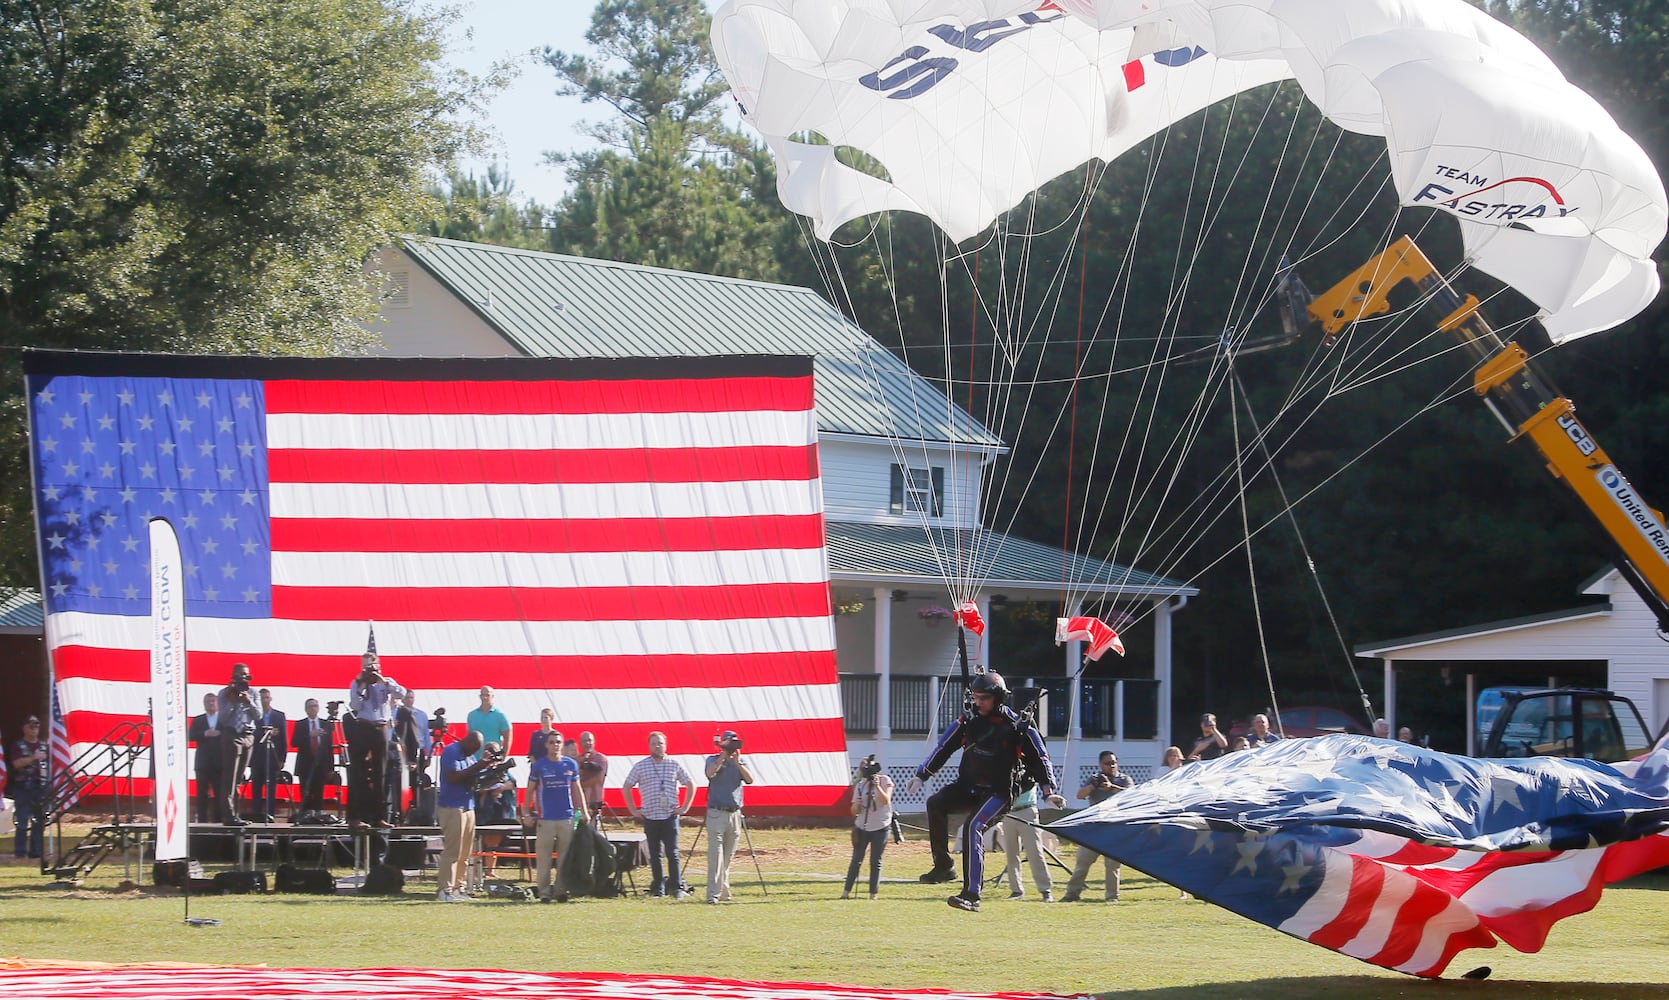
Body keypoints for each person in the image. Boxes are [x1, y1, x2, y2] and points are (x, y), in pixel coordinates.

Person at [907, 671, 1063, 913]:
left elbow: (1040, 758)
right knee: (935, 803)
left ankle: (972, 894)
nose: (978, 702)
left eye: (984, 698)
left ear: (998, 698)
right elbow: (944, 746)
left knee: (972, 827)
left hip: (998, 794)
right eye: (976, 697)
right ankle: (944, 866)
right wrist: (922, 774)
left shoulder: (1017, 726)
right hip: (968, 787)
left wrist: (1048, 791)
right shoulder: (969, 721)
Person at [621, 731, 695, 899]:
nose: (658, 746)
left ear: (665, 745)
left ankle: (676, 887)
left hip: (669, 816)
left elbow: (690, 784)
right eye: (654, 743)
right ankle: (658, 888)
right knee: (655, 855)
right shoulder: (641, 766)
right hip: (651, 816)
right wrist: (633, 809)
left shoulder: (674, 764)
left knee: (673, 853)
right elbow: (627, 786)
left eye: (660, 743)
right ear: (649, 746)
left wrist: (684, 807)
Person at [1060, 750, 1133, 902]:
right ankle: (1071, 894)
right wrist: (1093, 786)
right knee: (1082, 862)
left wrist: (1112, 787)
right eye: (1107, 763)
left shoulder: (1124, 780)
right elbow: (1080, 795)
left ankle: (1112, 897)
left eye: (1113, 762)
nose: (1111, 766)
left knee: (1112, 865)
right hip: (1094, 828)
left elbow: (1133, 795)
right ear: (1101, 765)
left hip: (1115, 827)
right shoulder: (1094, 779)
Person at [526, 729, 588, 903]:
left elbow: (577, 789)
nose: (555, 745)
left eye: (558, 742)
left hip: (566, 817)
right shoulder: (539, 766)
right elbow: (530, 790)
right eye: (552, 742)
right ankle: (544, 893)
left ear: (562, 745)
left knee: (565, 857)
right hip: (545, 818)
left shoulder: (570, 764)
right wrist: (525, 812)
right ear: (546, 745)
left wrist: (583, 811)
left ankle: (561, 890)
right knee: (544, 858)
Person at [347, 649, 406, 829]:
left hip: (381, 727)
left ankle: (378, 817)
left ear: (378, 666)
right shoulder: (356, 683)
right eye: (365, 667)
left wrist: (384, 681)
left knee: (380, 772)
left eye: (371, 666)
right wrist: (362, 685)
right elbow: (355, 706)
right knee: (359, 771)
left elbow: (401, 694)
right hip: (363, 726)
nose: (369, 670)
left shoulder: (386, 682)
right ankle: (357, 817)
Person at [435, 730, 493, 902]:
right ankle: (444, 889)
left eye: (477, 749)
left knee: (465, 852)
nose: (473, 752)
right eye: (473, 747)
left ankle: (457, 888)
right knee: (453, 850)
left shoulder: (470, 757)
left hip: (468, 806)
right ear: (467, 741)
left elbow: (475, 781)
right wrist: (478, 766)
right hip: (452, 806)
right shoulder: (451, 751)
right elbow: (453, 777)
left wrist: (489, 770)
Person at [703, 729, 754, 904]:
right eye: (728, 743)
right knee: (715, 856)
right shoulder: (713, 759)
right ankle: (713, 895)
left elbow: (749, 780)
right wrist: (722, 758)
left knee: (727, 857)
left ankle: (723, 891)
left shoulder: (740, 761)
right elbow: (710, 774)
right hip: (717, 812)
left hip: (734, 814)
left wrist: (738, 762)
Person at [842, 755, 894, 900]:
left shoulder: (885, 780)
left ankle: (873, 894)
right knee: (856, 860)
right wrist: (856, 805)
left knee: (875, 861)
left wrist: (877, 786)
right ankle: (846, 892)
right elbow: (853, 810)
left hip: (881, 827)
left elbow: (885, 801)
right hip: (862, 827)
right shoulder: (860, 785)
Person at [216, 663, 259, 825]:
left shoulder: (253, 693)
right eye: (241, 674)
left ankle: (236, 814)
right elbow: (222, 719)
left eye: (246, 674)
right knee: (230, 778)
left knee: (240, 778)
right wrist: (233, 703)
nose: (244, 677)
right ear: (234, 675)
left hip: (248, 736)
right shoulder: (224, 693)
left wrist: (249, 702)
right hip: (232, 735)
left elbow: (258, 715)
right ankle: (228, 815)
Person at [998, 784, 1053, 901]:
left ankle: (1045, 890)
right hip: (1009, 812)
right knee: (1012, 854)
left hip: (1027, 810)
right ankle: (1016, 890)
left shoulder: (1030, 768)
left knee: (1035, 852)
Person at [8, 716, 48, 858]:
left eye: (37, 726)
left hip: (40, 787)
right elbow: (16, 764)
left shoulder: (44, 747)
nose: (34, 729)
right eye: (31, 726)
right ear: (24, 728)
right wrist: (33, 758)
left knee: (39, 821)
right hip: (23, 787)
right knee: (22, 821)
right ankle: (20, 852)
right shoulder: (18, 746)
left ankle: (36, 852)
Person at [249, 688, 287, 821]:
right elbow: (251, 734)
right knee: (256, 789)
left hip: (273, 757)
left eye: (266, 697)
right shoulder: (253, 715)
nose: (264, 700)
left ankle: (269, 816)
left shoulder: (279, 716)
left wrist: (282, 759)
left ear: (270, 699)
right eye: (262, 698)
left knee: (271, 789)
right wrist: (267, 733)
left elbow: (284, 739)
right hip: (257, 758)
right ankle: (256, 816)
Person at [290, 698, 332, 815]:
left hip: (321, 765)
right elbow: (294, 742)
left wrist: (330, 767)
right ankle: (305, 816)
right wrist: (309, 735)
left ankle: (318, 817)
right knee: (305, 793)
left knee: (319, 793)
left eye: (315, 706)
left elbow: (329, 747)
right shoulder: (300, 724)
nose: (313, 708)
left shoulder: (325, 724)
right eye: (310, 706)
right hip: (305, 765)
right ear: (306, 709)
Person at [189, 693, 222, 823]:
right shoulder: (198, 720)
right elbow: (190, 736)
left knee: (219, 794)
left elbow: (230, 735)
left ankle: (218, 821)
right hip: (202, 763)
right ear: (204, 704)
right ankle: (202, 821)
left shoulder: (223, 720)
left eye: (213, 701)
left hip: (219, 763)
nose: (211, 703)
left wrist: (220, 734)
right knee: (201, 794)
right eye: (208, 701)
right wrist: (205, 734)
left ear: (218, 703)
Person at [466, 687, 511, 760]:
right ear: (480, 696)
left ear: (492, 696)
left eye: (487, 695)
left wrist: (503, 757)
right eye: (483, 695)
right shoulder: (472, 715)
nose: (485, 697)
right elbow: (470, 738)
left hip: (493, 758)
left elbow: (508, 737)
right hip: (475, 759)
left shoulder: (500, 715)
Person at [578, 731, 608, 817]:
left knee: (592, 829)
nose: (587, 743)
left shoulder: (600, 759)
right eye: (584, 741)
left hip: (594, 803)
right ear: (580, 743)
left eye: (589, 740)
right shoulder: (577, 759)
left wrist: (579, 785)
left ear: (594, 742)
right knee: (576, 828)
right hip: (579, 803)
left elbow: (599, 779)